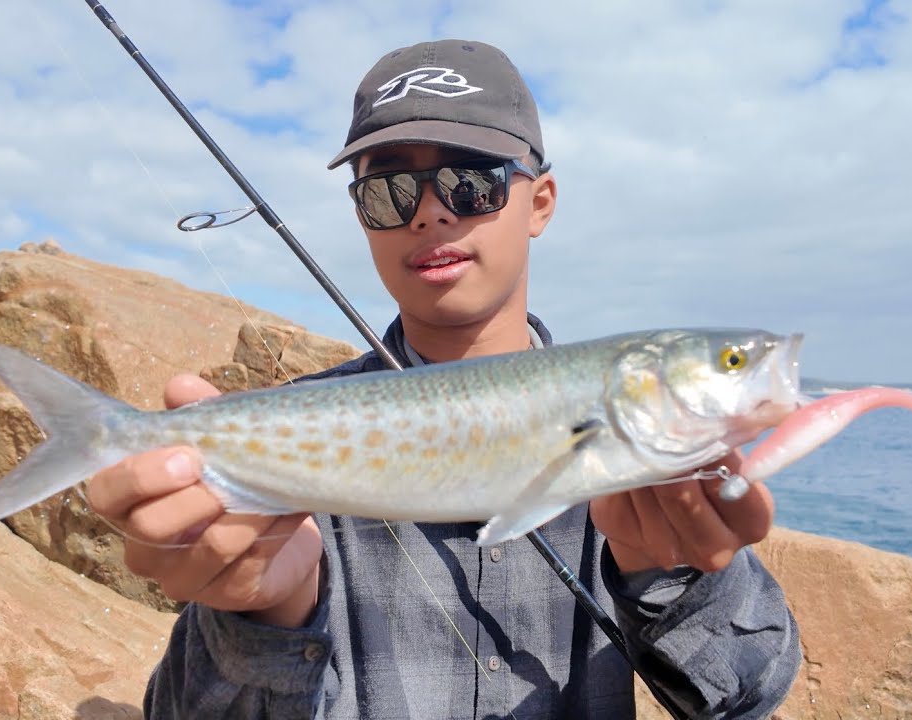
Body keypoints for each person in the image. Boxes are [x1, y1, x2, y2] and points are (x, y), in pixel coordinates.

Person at [85, 39, 802, 719]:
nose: (429, 212)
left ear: (540, 203)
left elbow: (751, 696)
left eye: (472, 183)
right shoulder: (296, 444)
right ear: (363, 218)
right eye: (389, 193)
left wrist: (672, 579)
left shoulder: (632, 473)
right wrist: (262, 616)